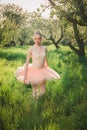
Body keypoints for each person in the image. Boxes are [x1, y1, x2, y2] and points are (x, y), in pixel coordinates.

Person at [14, 30, 61, 100]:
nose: (37, 40)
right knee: (34, 91)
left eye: (39, 38)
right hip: (33, 71)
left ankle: (39, 100)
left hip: (42, 70)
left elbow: (45, 60)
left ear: (41, 39)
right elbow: (27, 62)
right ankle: (35, 106)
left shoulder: (44, 48)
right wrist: (25, 76)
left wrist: (47, 71)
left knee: (43, 91)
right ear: (33, 39)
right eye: (35, 39)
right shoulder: (31, 49)